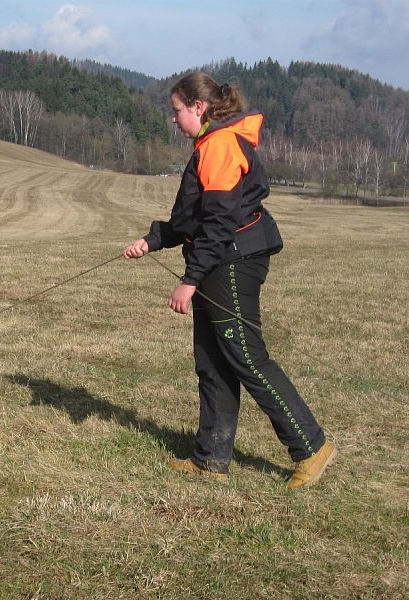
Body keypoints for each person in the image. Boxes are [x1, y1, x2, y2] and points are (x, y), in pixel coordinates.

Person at [124, 72, 336, 489]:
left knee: (247, 358)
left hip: (234, 260)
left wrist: (189, 279)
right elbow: (195, 221)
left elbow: (220, 223)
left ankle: (311, 446)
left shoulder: (220, 144)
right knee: (212, 360)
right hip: (219, 258)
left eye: (177, 111)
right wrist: (152, 240)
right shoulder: (209, 143)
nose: (173, 119)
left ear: (198, 107)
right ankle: (210, 457)